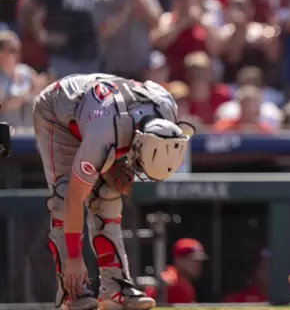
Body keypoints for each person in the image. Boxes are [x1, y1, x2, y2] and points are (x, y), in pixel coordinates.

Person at [33, 73, 194, 310]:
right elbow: (73, 199)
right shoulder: (104, 132)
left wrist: (118, 163)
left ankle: (116, 286)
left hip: (104, 113)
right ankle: (71, 290)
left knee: (108, 196)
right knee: (63, 195)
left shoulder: (167, 108)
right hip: (59, 114)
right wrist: (76, 258)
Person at [144, 238, 208, 304]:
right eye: (193, 261)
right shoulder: (173, 281)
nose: (198, 265)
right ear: (179, 260)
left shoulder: (183, 281)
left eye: (199, 261)